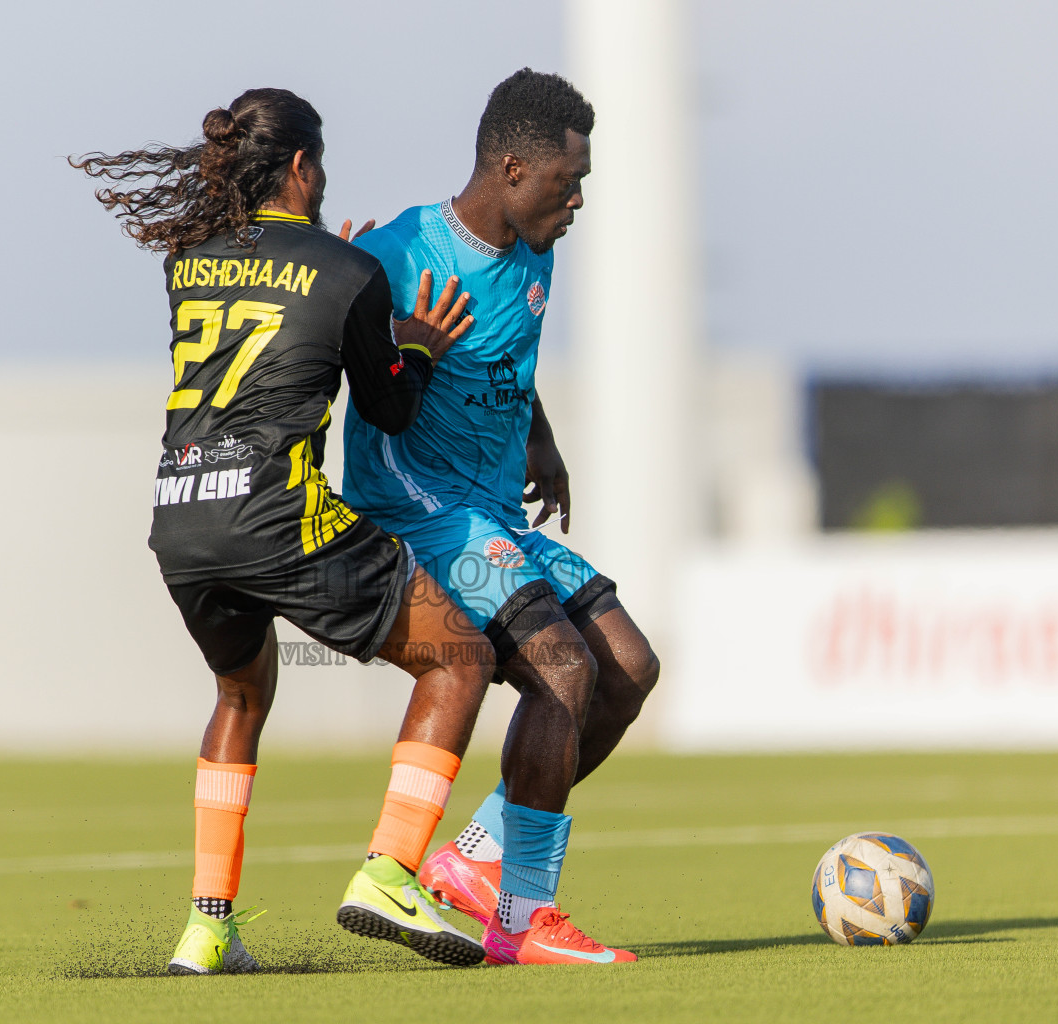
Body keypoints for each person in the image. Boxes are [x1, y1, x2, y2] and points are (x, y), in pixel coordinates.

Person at [70, 87, 495, 975]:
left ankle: (207, 930)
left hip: (182, 517)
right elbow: (390, 407)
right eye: (321, 164)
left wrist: (340, 289)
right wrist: (413, 342)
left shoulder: (187, 260)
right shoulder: (348, 272)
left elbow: (268, 315)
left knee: (240, 697)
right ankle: (390, 872)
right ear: (302, 167)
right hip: (276, 513)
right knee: (459, 658)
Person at [343, 69, 660, 965]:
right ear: (513, 170)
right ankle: (522, 918)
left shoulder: (534, 250)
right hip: (417, 506)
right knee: (562, 666)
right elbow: (345, 370)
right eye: (569, 181)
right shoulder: (399, 256)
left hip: (489, 509)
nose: (579, 200)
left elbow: (507, 355)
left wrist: (541, 439)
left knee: (628, 668)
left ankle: (477, 856)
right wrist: (350, 296)